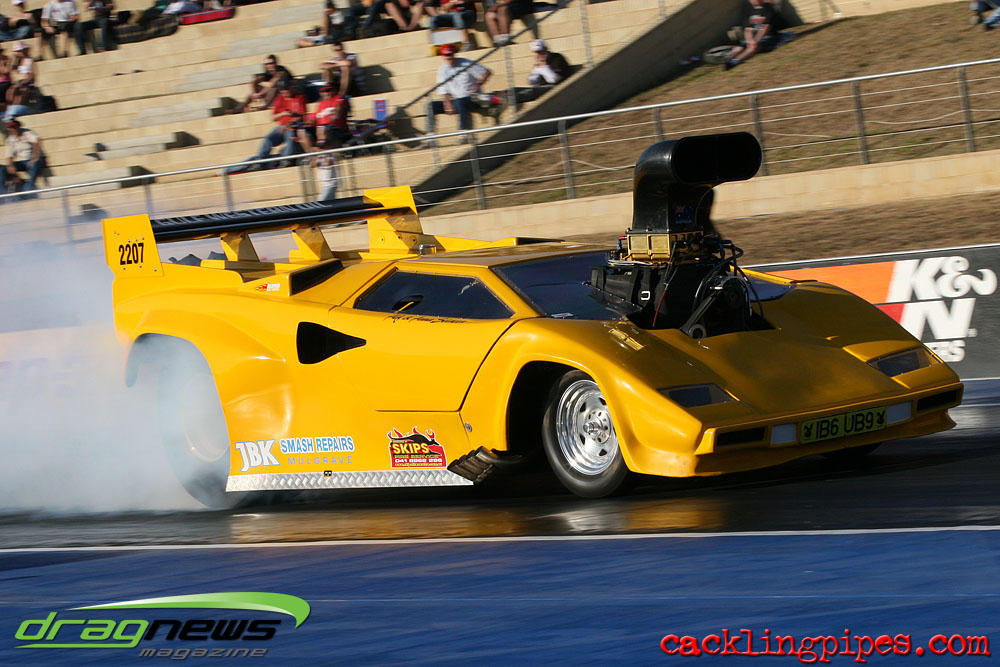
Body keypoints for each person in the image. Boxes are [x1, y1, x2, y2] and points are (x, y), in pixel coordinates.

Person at [224, 81, 308, 174]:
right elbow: (273, 117)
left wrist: (288, 125)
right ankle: (261, 160)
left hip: (294, 126)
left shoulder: (299, 97)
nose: (285, 92)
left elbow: (302, 116)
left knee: (290, 133)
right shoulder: (279, 98)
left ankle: (286, 160)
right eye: (283, 90)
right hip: (282, 126)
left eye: (287, 89)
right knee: (268, 138)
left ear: (291, 87)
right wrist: (284, 114)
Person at [426, 43, 490, 141]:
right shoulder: (442, 70)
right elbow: (443, 89)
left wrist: (477, 85)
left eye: (451, 54)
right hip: (457, 101)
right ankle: (430, 135)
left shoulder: (466, 63)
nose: (449, 57)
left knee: (461, 101)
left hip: (472, 99)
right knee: (431, 105)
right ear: (443, 56)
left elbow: (486, 72)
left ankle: (463, 132)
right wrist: (447, 103)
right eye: (447, 55)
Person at [725, 0, 777, 70]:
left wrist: (756, 41)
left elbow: (766, 27)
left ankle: (735, 61)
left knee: (752, 48)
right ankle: (728, 58)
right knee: (738, 48)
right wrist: (749, 40)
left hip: (765, 36)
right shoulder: (748, 8)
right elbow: (747, 29)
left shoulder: (768, 8)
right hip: (752, 37)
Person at [1, 119, 46, 196]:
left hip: (35, 159)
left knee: (34, 164)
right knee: (3, 169)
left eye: (13, 126)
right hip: (23, 162)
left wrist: (35, 157)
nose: (12, 128)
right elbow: (10, 155)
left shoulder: (27, 133)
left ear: (18, 126)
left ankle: (30, 189)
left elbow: (36, 142)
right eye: (10, 127)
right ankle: (2, 192)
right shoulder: (10, 139)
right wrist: (10, 165)